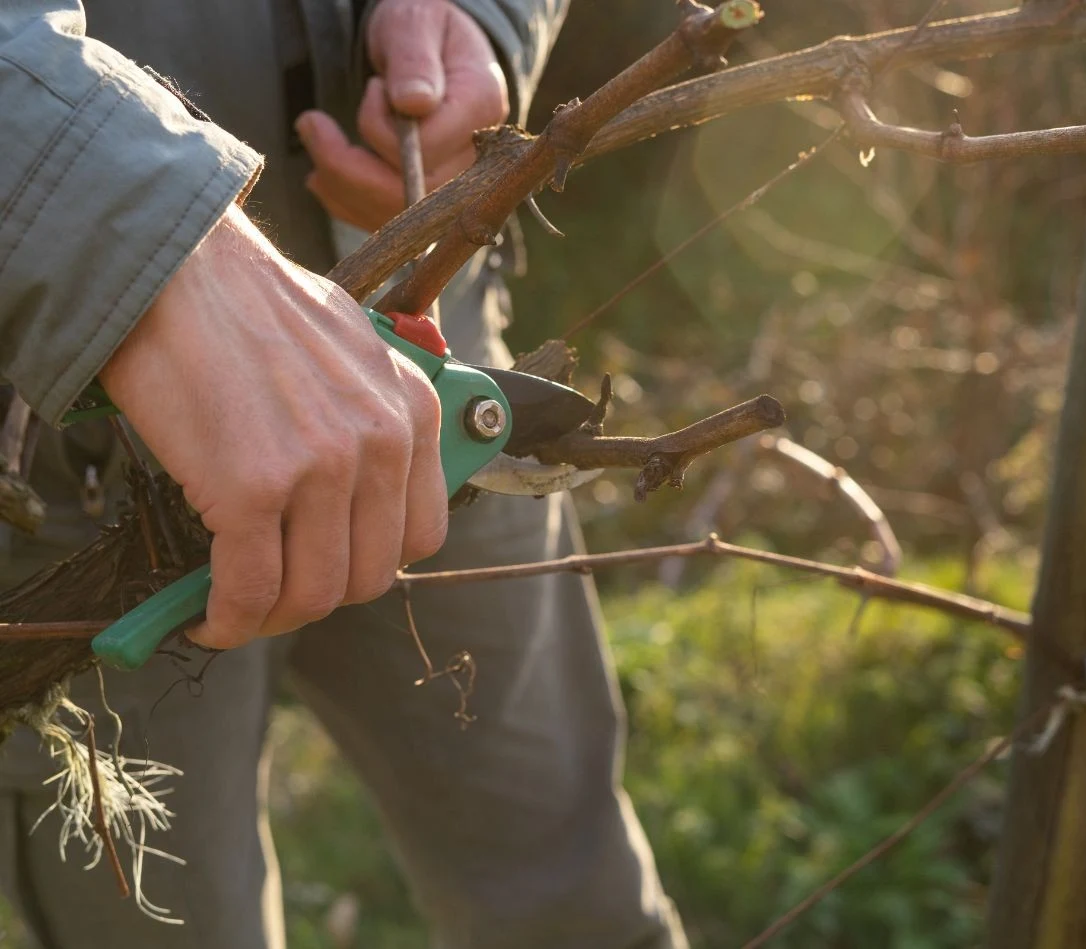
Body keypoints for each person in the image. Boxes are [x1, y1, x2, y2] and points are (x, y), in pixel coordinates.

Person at [0, 1, 688, 946]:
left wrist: (481, 22)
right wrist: (137, 241)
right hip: (61, 405)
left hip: (428, 383)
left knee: (574, 903)